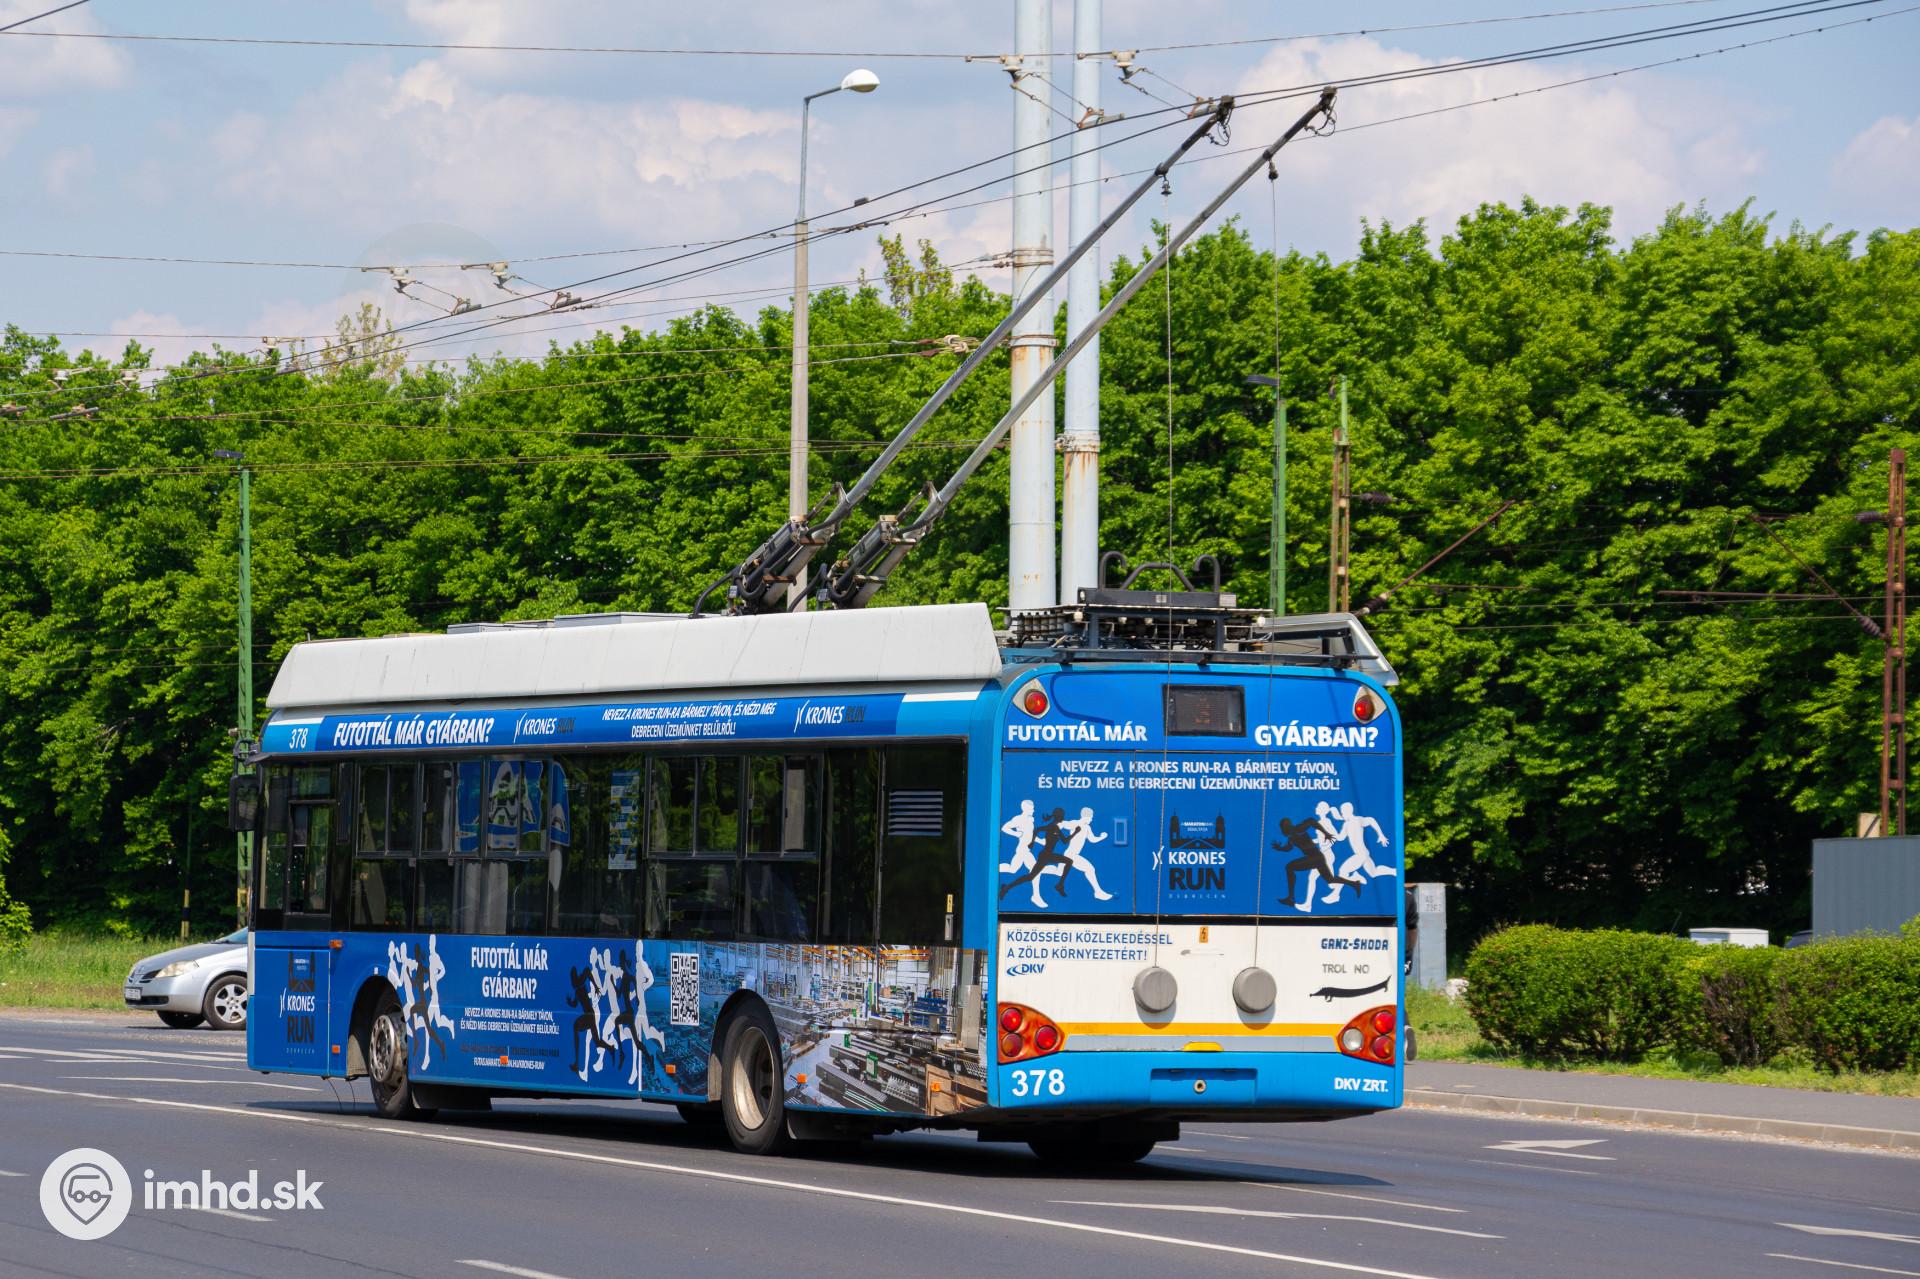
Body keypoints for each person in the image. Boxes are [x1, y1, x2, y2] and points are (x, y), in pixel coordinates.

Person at [1273, 815, 1358, 912]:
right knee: (1330, 880)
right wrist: (1279, 848)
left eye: (1283, 827)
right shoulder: (1291, 838)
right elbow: (1288, 848)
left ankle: (1291, 897)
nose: (1283, 829)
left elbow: (1311, 821)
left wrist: (1326, 833)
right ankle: (1354, 883)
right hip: (1318, 858)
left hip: (1315, 857)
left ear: (1287, 826)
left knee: (1289, 867)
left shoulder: (1299, 828)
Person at [1321, 801, 1396, 904]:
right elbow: (1340, 838)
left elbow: (1371, 820)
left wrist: (1381, 835)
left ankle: (1336, 894)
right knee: (1374, 872)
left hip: (1361, 854)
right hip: (1363, 854)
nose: (1342, 814)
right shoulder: (1347, 824)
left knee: (1343, 870)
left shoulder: (1358, 820)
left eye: (1343, 812)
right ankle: (1393, 871)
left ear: (1348, 811)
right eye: (1341, 812)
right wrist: (1331, 829)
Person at [999, 807, 1070, 908]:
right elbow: (1037, 830)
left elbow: (1062, 840)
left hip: (1046, 855)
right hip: (1043, 855)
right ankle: (1056, 886)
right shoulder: (1052, 827)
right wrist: (1030, 842)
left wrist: (1033, 841)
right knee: (1024, 874)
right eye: (1062, 816)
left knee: (1030, 876)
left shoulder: (1054, 828)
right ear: (1059, 817)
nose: (1063, 818)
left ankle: (1007, 888)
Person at [1043, 807, 1113, 900]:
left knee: (1058, 872)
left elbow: (1092, 839)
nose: (1092, 819)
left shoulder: (1087, 827)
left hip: (1070, 854)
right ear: (1087, 817)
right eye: (1091, 817)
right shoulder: (1075, 823)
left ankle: (1038, 869)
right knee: (1090, 869)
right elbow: (1062, 823)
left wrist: (1101, 837)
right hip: (1071, 855)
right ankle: (1098, 892)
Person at [999, 800, 1037, 875]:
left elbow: (1030, 835)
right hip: (1023, 849)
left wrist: (1041, 841)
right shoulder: (1019, 819)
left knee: (1013, 869)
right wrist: (1016, 834)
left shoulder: (1030, 820)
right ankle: (994, 867)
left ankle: (995, 868)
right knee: (1035, 870)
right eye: (1032, 809)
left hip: (1025, 849)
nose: (1033, 810)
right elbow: (1004, 827)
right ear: (1026, 809)